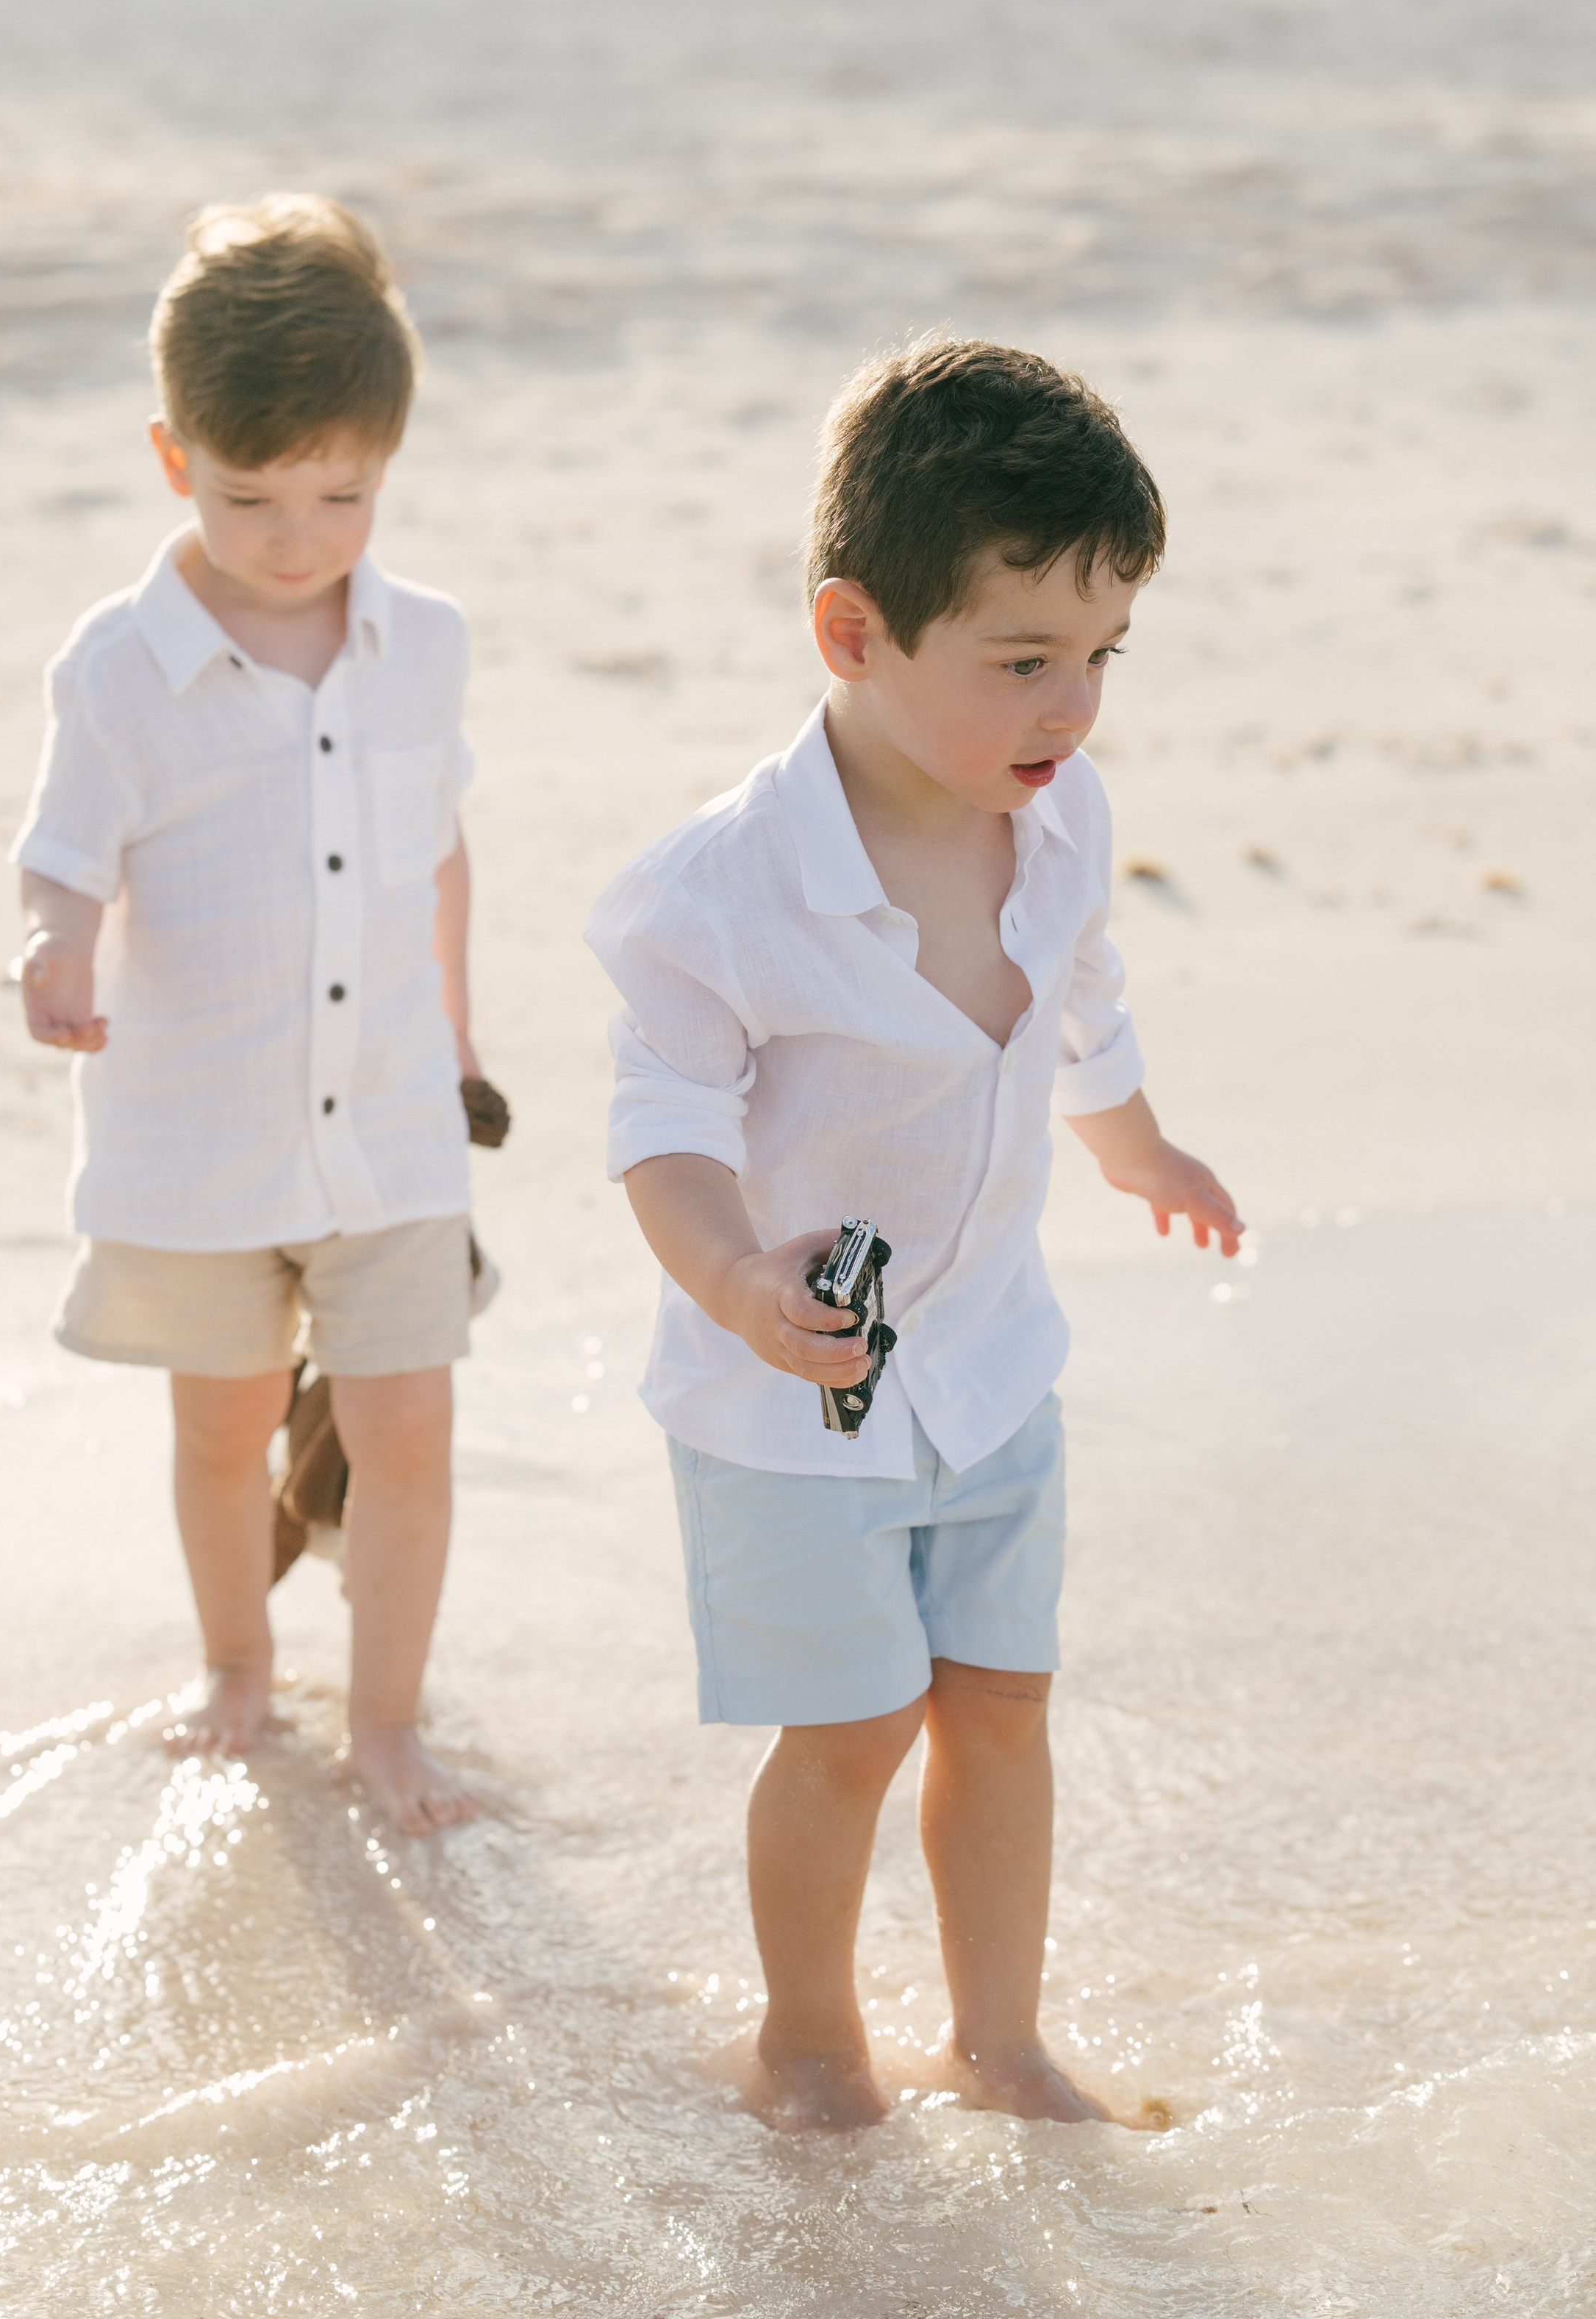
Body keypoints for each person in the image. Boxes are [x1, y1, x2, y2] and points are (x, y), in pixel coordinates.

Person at [587, 336, 1242, 2126]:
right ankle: (808, 2033)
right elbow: (658, 1124)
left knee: (1002, 1703)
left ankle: (1000, 2035)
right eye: (1021, 661)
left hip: (988, 1363)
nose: (1069, 708)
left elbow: (1079, 1000)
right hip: (794, 1398)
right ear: (849, 633)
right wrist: (730, 1275)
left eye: (1100, 656)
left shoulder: (1057, 814)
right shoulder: (719, 893)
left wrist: (1137, 1146)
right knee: (854, 1729)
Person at [11, 193, 488, 1835]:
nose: (298, 534)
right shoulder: (119, 666)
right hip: (199, 1135)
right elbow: (64, 854)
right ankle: (235, 1665)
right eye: (250, 496)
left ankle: (386, 1722)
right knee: (220, 1428)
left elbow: (439, 856)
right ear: (172, 461)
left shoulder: (422, 643)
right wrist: (52, 957)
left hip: (391, 1119)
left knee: (407, 1423)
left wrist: (464, 1039)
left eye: (342, 494)